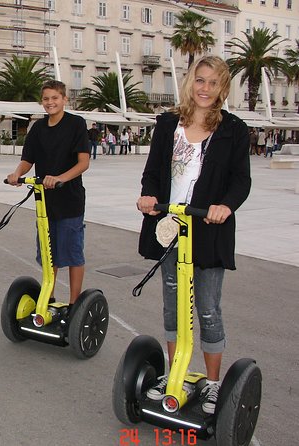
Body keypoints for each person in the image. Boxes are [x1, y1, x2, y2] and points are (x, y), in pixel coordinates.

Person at [136, 55, 251, 415]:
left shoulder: (233, 129)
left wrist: (226, 206)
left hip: (209, 228)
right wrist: (149, 196)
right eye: (199, 80)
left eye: (212, 83)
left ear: (223, 88)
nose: (205, 88)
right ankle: (177, 374)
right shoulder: (168, 123)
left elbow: (240, 180)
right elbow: (153, 172)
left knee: (208, 308)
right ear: (190, 82)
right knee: (173, 306)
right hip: (170, 227)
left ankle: (213, 384)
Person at [6, 80, 91, 307]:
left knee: (72, 253)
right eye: (46, 99)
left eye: (55, 98)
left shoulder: (76, 124)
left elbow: (84, 162)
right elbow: (28, 159)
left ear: (64, 99)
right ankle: (48, 299)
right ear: (41, 102)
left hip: (70, 200)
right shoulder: (38, 128)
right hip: (45, 201)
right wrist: (17, 173)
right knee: (47, 253)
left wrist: (61, 178)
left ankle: (74, 305)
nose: (50, 102)